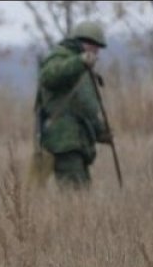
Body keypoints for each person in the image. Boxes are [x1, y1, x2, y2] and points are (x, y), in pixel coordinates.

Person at [34, 20, 113, 190]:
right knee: (74, 196)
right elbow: (49, 76)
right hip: (64, 140)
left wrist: (101, 132)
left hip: (77, 141)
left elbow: (83, 105)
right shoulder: (60, 57)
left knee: (81, 196)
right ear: (83, 42)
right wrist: (80, 62)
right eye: (95, 46)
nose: (97, 52)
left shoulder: (82, 67)